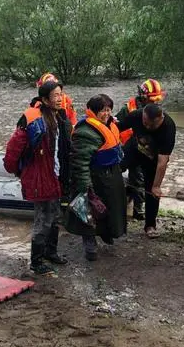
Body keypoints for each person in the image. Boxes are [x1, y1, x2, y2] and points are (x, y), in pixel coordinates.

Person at [3, 80, 72, 275]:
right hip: (40, 175)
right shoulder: (33, 119)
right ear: (44, 99)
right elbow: (14, 146)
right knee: (43, 219)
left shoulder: (59, 117)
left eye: (61, 94)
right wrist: (13, 169)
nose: (60, 98)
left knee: (55, 215)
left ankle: (51, 252)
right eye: (55, 95)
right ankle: (36, 260)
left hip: (56, 174)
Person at [65, 94, 127, 261]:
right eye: (102, 110)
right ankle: (89, 243)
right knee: (89, 211)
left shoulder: (110, 125)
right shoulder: (85, 131)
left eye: (108, 110)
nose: (106, 113)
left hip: (110, 175)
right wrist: (86, 186)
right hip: (93, 177)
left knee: (110, 208)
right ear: (92, 111)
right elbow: (80, 161)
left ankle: (106, 233)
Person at [116, 103, 176, 238]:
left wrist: (157, 186)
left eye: (151, 125)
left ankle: (150, 225)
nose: (147, 127)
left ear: (161, 118)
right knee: (114, 170)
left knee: (152, 191)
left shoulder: (168, 127)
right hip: (134, 149)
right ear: (142, 115)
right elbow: (115, 128)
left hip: (153, 158)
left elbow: (163, 161)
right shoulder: (136, 115)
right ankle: (110, 214)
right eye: (145, 123)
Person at [118, 79, 166, 220]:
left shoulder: (156, 111)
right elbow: (117, 125)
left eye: (157, 99)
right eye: (152, 99)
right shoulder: (129, 108)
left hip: (147, 149)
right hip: (128, 148)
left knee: (142, 178)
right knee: (126, 173)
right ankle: (133, 207)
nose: (155, 102)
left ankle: (139, 208)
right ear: (143, 96)